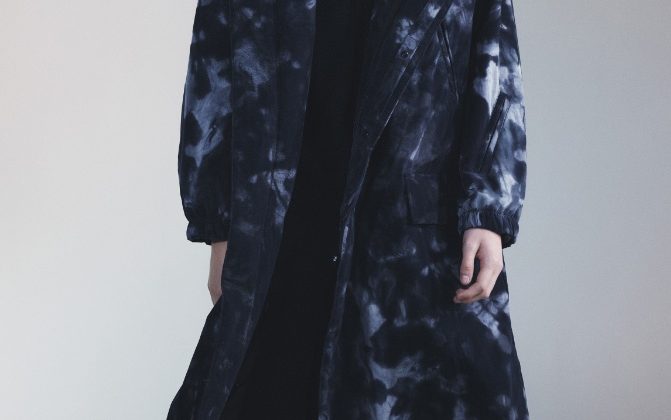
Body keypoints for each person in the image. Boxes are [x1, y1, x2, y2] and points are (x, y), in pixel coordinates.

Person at [168, 0, 530, 419]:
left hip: (412, 231)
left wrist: (488, 208)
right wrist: (220, 225)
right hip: (283, 221)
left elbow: (495, 61)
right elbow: (213, 72)